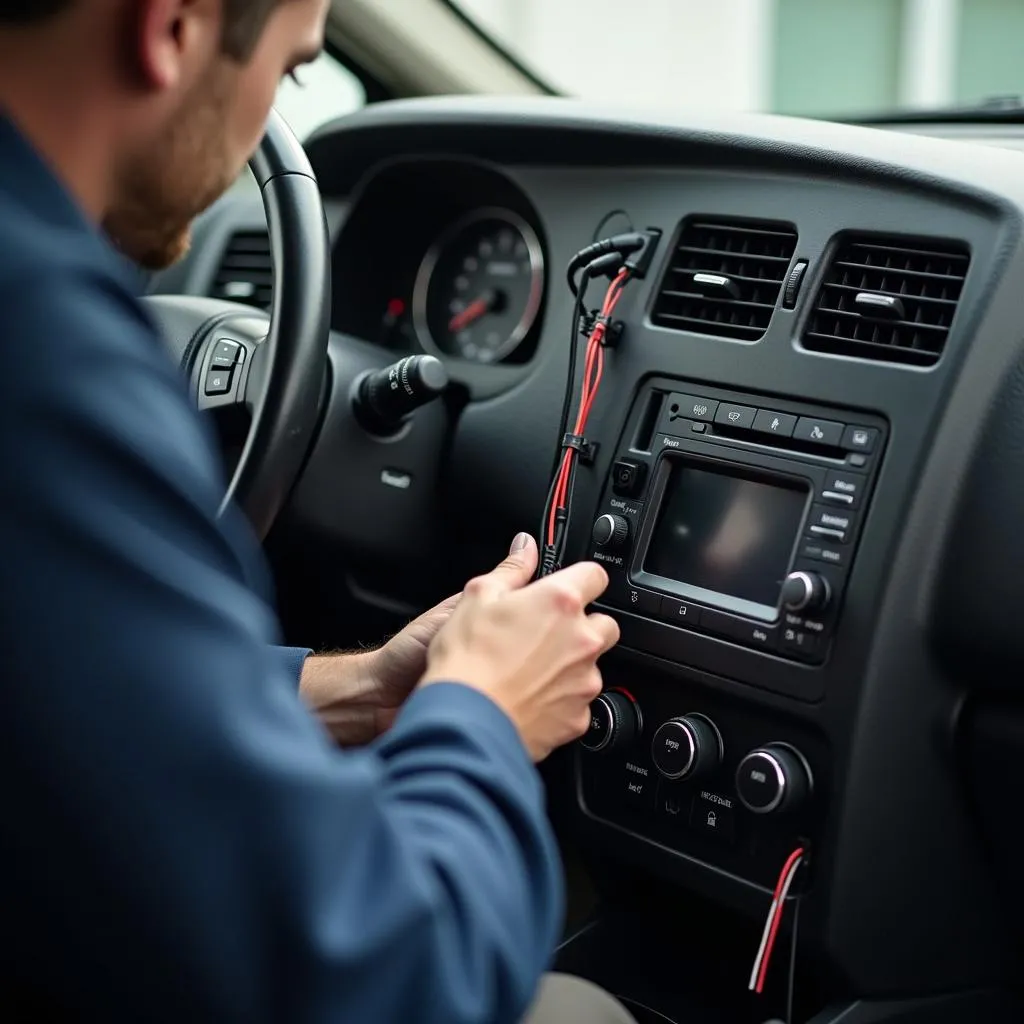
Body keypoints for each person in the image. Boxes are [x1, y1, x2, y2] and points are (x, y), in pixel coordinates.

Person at [0, 1, 646, 1022]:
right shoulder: (47, 363)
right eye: (295, 73)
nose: (269, 116)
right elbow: (379, 971)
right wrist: (482, 714)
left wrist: (361, 690)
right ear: (172, 27)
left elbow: (58, 691)